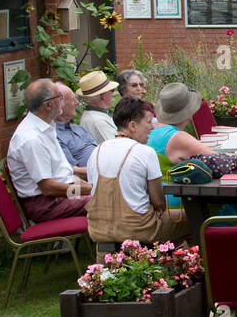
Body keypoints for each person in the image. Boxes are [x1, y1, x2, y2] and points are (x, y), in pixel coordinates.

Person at [86, 97, 190, 245]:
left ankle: (168, 260)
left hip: (99, 229)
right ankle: (188, 263)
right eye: (148, 122)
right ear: (133, 126)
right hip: (140, 228)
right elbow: (159, 201)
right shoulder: (144, 151)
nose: (152, 127)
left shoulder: (97, 151)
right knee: (192, 219)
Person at [6, 79, 91, 222]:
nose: (63, 100)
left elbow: (59, 173)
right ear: (48, 105)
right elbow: (48, 188)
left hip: (60, 196)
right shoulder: (31, 139)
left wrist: (85, 186)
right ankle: (122, 244)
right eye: (60, 96)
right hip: (48, 204)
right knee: (108, 201)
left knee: (112, 194)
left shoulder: (45, 126)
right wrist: (88, 190)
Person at [147, 83, 219, 205]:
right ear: (190, 112)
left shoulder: (151, 130)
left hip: (156, 197)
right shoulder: (178, 138)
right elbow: (221, 160)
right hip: (178, 200)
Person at [53, 83, 97, 169]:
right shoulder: (55, 136)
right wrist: (101, 171)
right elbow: (72, 170)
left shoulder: (79, 129)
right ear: (61, 104)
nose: (76, 103)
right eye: (73, 99)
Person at [77, 70, 118, 144]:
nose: (112, 93)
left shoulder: (94, 115)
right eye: (111, 90)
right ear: (103, 96)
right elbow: (116, 148)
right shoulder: (98, 121)